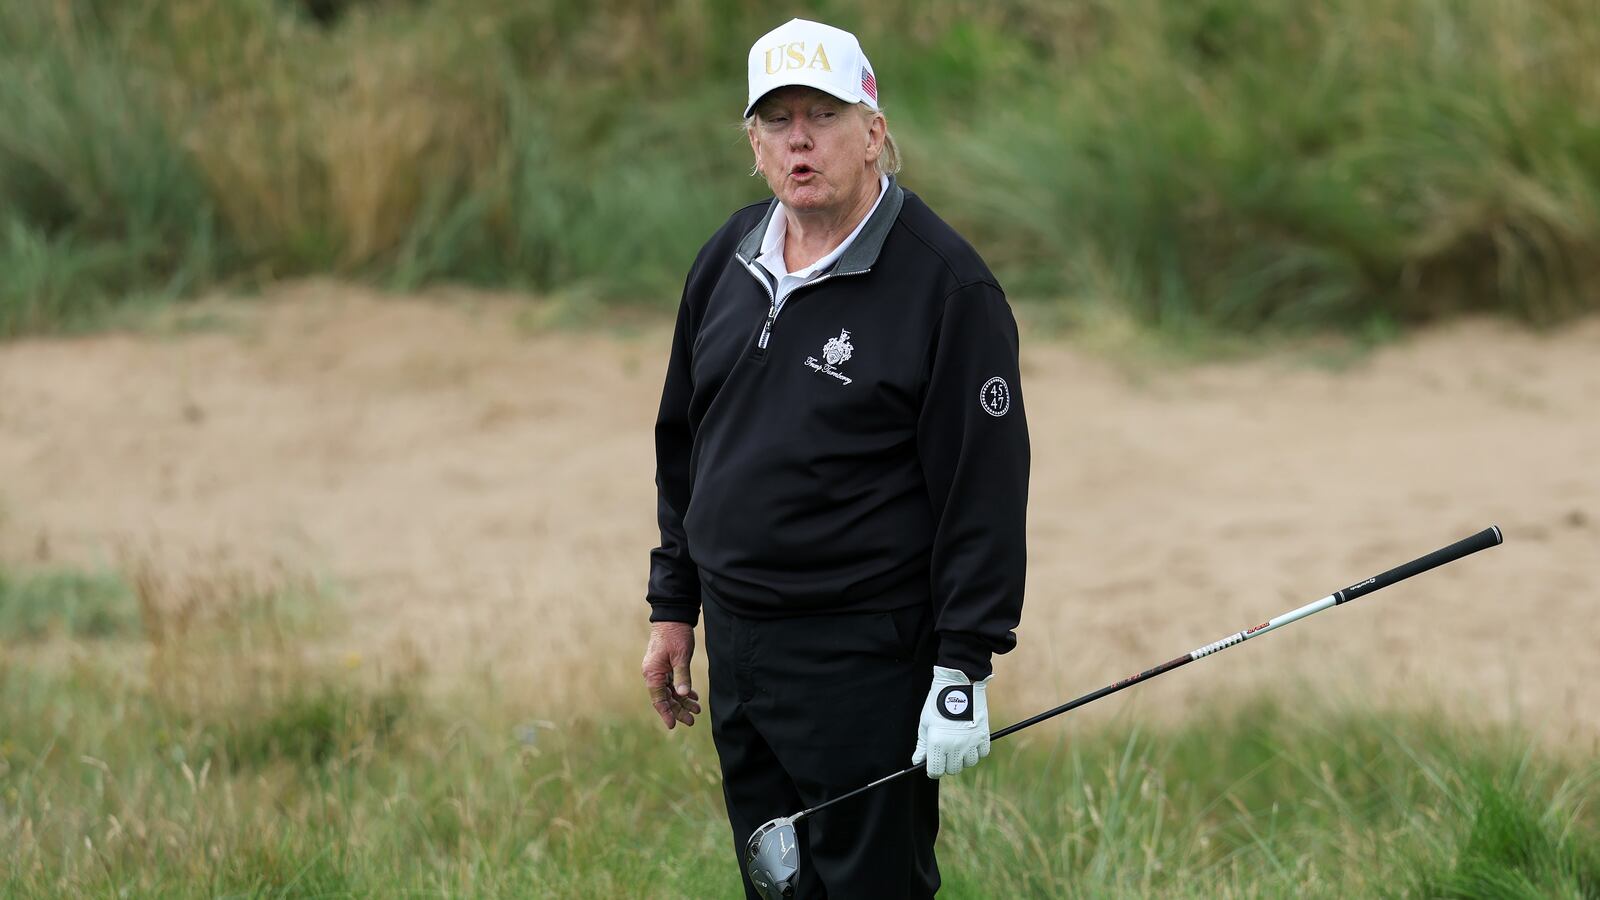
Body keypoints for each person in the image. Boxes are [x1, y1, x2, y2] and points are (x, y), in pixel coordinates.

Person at [641, 17, 1029, 898]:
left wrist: (964, 662)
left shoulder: (946, 287)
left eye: (823, 114)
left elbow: (985, 491)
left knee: (870, 886)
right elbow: (684, 444)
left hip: (864, 654)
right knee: (775, 880)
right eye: (777, 121)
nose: (800, 140)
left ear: (874, 131)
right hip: (740, 645)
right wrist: (675, 606)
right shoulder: (726, 259)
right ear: (754, 140)